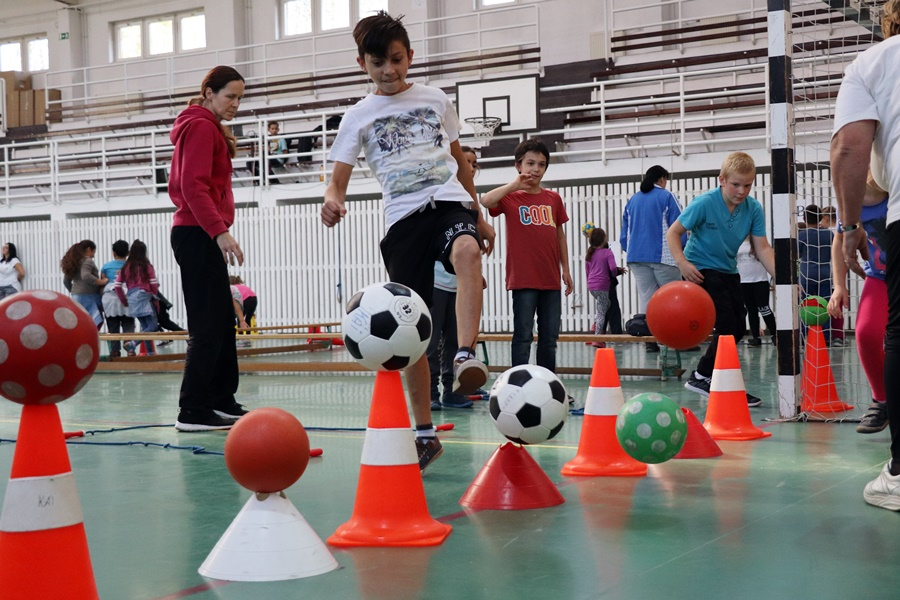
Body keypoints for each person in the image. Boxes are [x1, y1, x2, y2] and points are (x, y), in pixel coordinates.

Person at [320, 12, 495, 472]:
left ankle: (463, 355)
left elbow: (458, 160)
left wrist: (478, 213)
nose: (389, 71)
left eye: (397, 60)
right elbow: (336, 181)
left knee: (468, 250)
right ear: (362, 64)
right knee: (411, 324)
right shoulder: (358, 116)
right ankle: (424, 432)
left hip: (450, 202)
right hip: (403, 220)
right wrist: (332, 201)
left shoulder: (436, 99)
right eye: (378, 63)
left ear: (410, 56)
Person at [831, 0, 900, 510]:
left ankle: (899, 474)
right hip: (879, 265)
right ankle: (880, 400)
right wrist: (838, 283)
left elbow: (850, 147)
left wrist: (851, 224)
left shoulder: (875, 61)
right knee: (870, 329)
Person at [168, 65, 249, 432]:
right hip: (196, 232)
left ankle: (220, 398)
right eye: (229, 96)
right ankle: (193, 409)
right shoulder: (200, 126)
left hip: (203, 231)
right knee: (207, 323)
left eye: (239, 98)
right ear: (208, 93)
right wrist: (219, 232)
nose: (234, 104)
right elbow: (192, 186)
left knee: (221, 319)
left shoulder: (210, 127)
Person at [666, 152, 775, 407]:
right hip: (700, 268)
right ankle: (702, 376)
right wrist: (683, 263)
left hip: (728, 269)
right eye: (736, 184)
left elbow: (763, 249)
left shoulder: (753, 209)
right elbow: (673, 233)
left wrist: (782, 278)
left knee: (739, 328)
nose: (742, 191)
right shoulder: (704, 203)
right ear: (722, 180)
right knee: (726, 324)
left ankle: (713, 380)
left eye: (748, 185)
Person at [481, 138, 573, 372]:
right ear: (518, 166)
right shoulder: (511, 197)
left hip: (550, 279)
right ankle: (518, 382)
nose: (535, 169)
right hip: (523, 278)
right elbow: (485, 200)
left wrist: (566, 269)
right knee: (523, 334)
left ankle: (547, 382)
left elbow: (559, 235)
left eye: (541, 165)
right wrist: (514, 185)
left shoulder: (553, 198)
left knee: (549, 338)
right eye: (530, 163)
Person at [828, 173, 889, 434]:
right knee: (865, 334)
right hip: (879, 277)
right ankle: (882, 400)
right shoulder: (851, 200)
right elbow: (840, 242)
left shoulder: (893, 193)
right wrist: (839, 286)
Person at [428, 146, 480, 411]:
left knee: (453, 340)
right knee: (431, 339)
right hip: (435, 282)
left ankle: (451, 390)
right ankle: (430, 392)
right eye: (464, 161)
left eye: (472, 163)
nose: (468, 166)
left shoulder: (469, 203)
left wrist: (473, 278)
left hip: (458, 286)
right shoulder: (440, 195)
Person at [621, 165, 685, 352]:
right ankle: (676, 340)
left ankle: (650, 340)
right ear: (663, 179)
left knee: (647, 297)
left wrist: (630, 249)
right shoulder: (666, 196)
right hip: (664, 256)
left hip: (636, 256)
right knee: (672, 298)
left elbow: (625, 234)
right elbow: (680, 225)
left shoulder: (633, 199)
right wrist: (682, 250)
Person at [798, 203, 839, 345]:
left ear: (804, 219)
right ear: (821, 217)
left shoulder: (802, 235)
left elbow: (797, 254)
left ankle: (803, 336)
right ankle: (825, 337)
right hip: (825, 274)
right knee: (825, 306)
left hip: (806, 274)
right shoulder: (829, 234)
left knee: (805, 305)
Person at [114, 240, 160, 357]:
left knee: (145, 327)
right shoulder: (146, 266)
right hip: (144, 296)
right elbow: (153, 283)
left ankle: (150, 354)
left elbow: (117, 285)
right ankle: (133, 344)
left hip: (132, 298)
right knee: (153, 326)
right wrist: (154, 297)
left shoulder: (126, 267)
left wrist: (124, 300)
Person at [737, 236, 777, 347]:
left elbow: (768, 254)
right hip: (744, 281)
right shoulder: (737, 241)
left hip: (760, 281)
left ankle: (775, 335)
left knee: (764, 308)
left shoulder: (758, 242)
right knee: (751, 310)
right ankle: (755, 337)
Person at [61, 240, 108, 330]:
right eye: (94, 252)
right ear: (88, 249)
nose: (93, 255)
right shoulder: (87, 261)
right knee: (93, 326)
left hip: (76, 297)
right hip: (89, 296)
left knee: (80, 325)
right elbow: (86, 276)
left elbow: (66, 281)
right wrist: (101, 282)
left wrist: (74, 291)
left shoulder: (74, 262)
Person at [584, 227, 619, 348]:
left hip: (592, 286)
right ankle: (597, 337)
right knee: (602, 311)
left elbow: (587, 272)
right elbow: (613, 268)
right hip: (603, 285)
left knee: (605, 305)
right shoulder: (607, 252)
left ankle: (595, 327)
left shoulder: (589, 254)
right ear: (604, 239)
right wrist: (613, 275)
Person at [100, 240, 136, 357]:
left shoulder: (106, 267)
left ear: (113, 252)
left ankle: (115, 351)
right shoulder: (132, 266)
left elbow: (102, 284)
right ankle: (130, 348)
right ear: (128, 253)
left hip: (110, 300)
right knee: (128, 324)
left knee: (113, 326)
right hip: (127, 298)